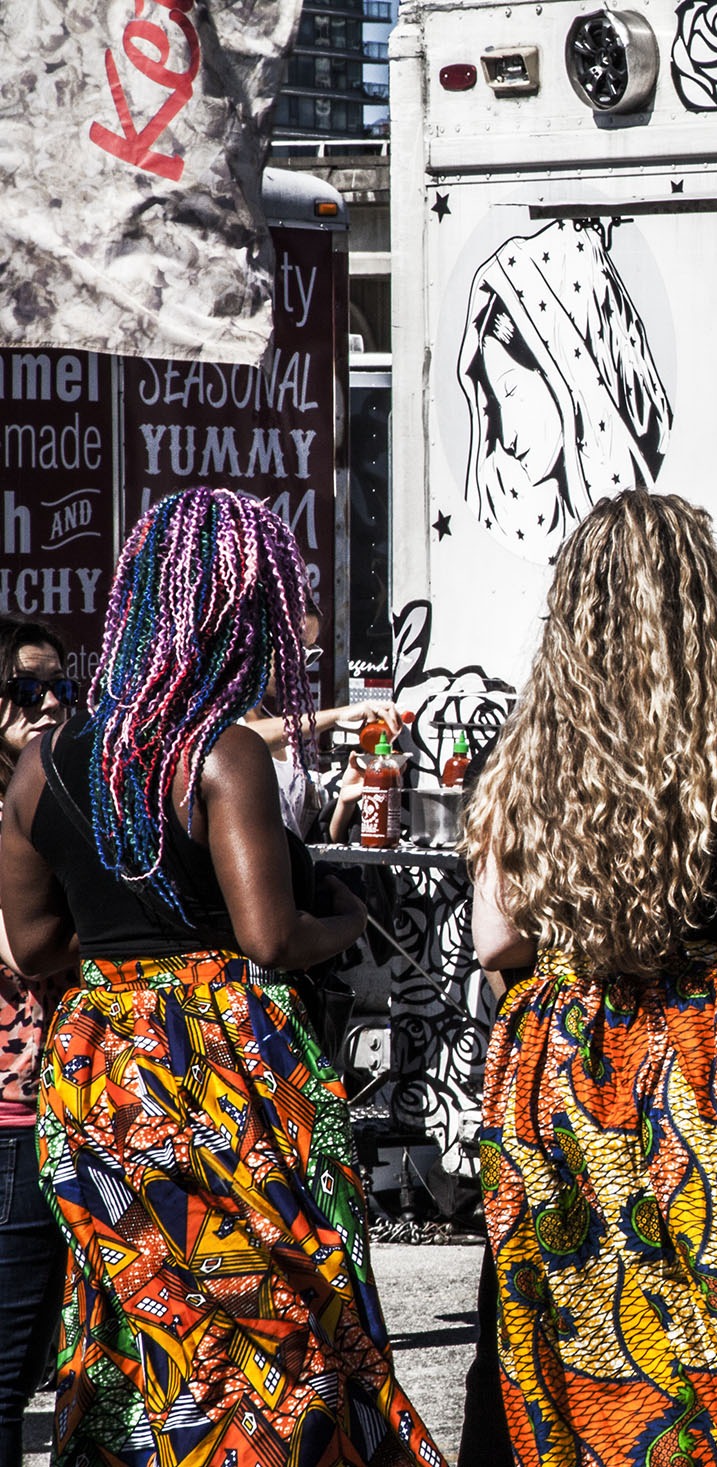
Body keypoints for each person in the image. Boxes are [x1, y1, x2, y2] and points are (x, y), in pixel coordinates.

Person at [0, 487, 441, 1467]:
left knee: (144, 1332)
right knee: (277, 1327)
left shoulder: (43, 765)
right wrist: (350, 918)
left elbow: (33, 950)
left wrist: (126, 977)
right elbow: (270, 936)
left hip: (100, 1076)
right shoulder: (220, 753)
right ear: (236, 623)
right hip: (221, 1075)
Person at [465, 490, 717, 1467]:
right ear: (699, 599)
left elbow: (491, 941)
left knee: (580, 1340)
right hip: (714, 1069)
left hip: (567, 1068)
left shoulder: (534, 747)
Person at [0, 618, 73, 1467]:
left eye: (59, 685)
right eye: (28, 688)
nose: (51, 700)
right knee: (9, 1373)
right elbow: (25, 947)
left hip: (46, 1108)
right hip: (14, 1119)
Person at [238, 597, 402, 839]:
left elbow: (308, 845)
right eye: (295, 648)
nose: (300, 664)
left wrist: (346, 800)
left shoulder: (286, 739)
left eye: (309, 653)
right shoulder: (219, 725)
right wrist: (338, 715)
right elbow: (243, 739)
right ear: (256, 641)